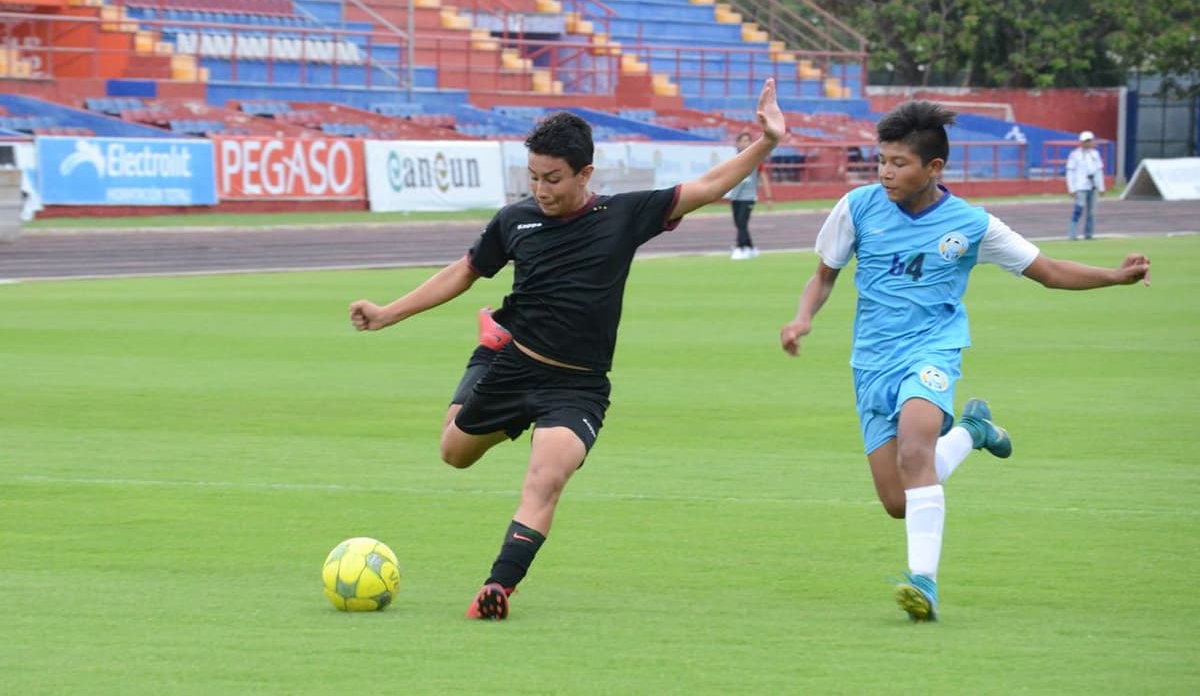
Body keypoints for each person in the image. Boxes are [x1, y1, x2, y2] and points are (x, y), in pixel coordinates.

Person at [349, 79, 786, 620]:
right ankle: (486, 348)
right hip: (513, 364)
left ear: (585, 174)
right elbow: (465, 272)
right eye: (532, 177)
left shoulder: (624, 215)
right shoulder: (514, 221)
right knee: (453, 453)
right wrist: (388, 313)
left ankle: (498, 587)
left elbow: (708, 184)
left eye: (553, 178)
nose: (541, 189)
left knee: (546, 480)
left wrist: (765, 143)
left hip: (577, 388)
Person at [778, 101, 1151, 623]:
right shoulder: (858, 207)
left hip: (932, 352)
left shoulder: (971, 224)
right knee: (899, 501)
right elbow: (824, 276)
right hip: (871, 364)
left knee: (914, 449)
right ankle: (972, 432)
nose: (885, 171)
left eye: (899, 162)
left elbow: (1046, 269)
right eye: (881, 160)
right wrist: (801, 319)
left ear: (934, 168)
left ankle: (922, 584)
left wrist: (1114, 276)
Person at [726, 131, 774, 259]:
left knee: (742, 222)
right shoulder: (733, 159)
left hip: (748, 196)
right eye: (742, 140)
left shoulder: (756, 159)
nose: (744, 143)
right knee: (739, 223)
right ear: (737, 143)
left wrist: (768, 197)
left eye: (747, 140)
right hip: (735, 196)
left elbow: (763, 177)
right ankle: (751, 248)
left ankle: (740, 248)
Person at [1066, 130, 1105, 240]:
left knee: (1092, 212)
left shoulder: (1095, 154)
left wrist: (1101, 187)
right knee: (1078, 210)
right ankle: (1073, 234)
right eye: (1084, 141)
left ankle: (1089, 234)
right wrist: (1071, 188)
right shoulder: (1075, 155)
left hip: (1093, 186)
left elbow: (1099, 172)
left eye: (1088, 141)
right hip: (1080, 186)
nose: (1086, 143)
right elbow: (1070, 172)